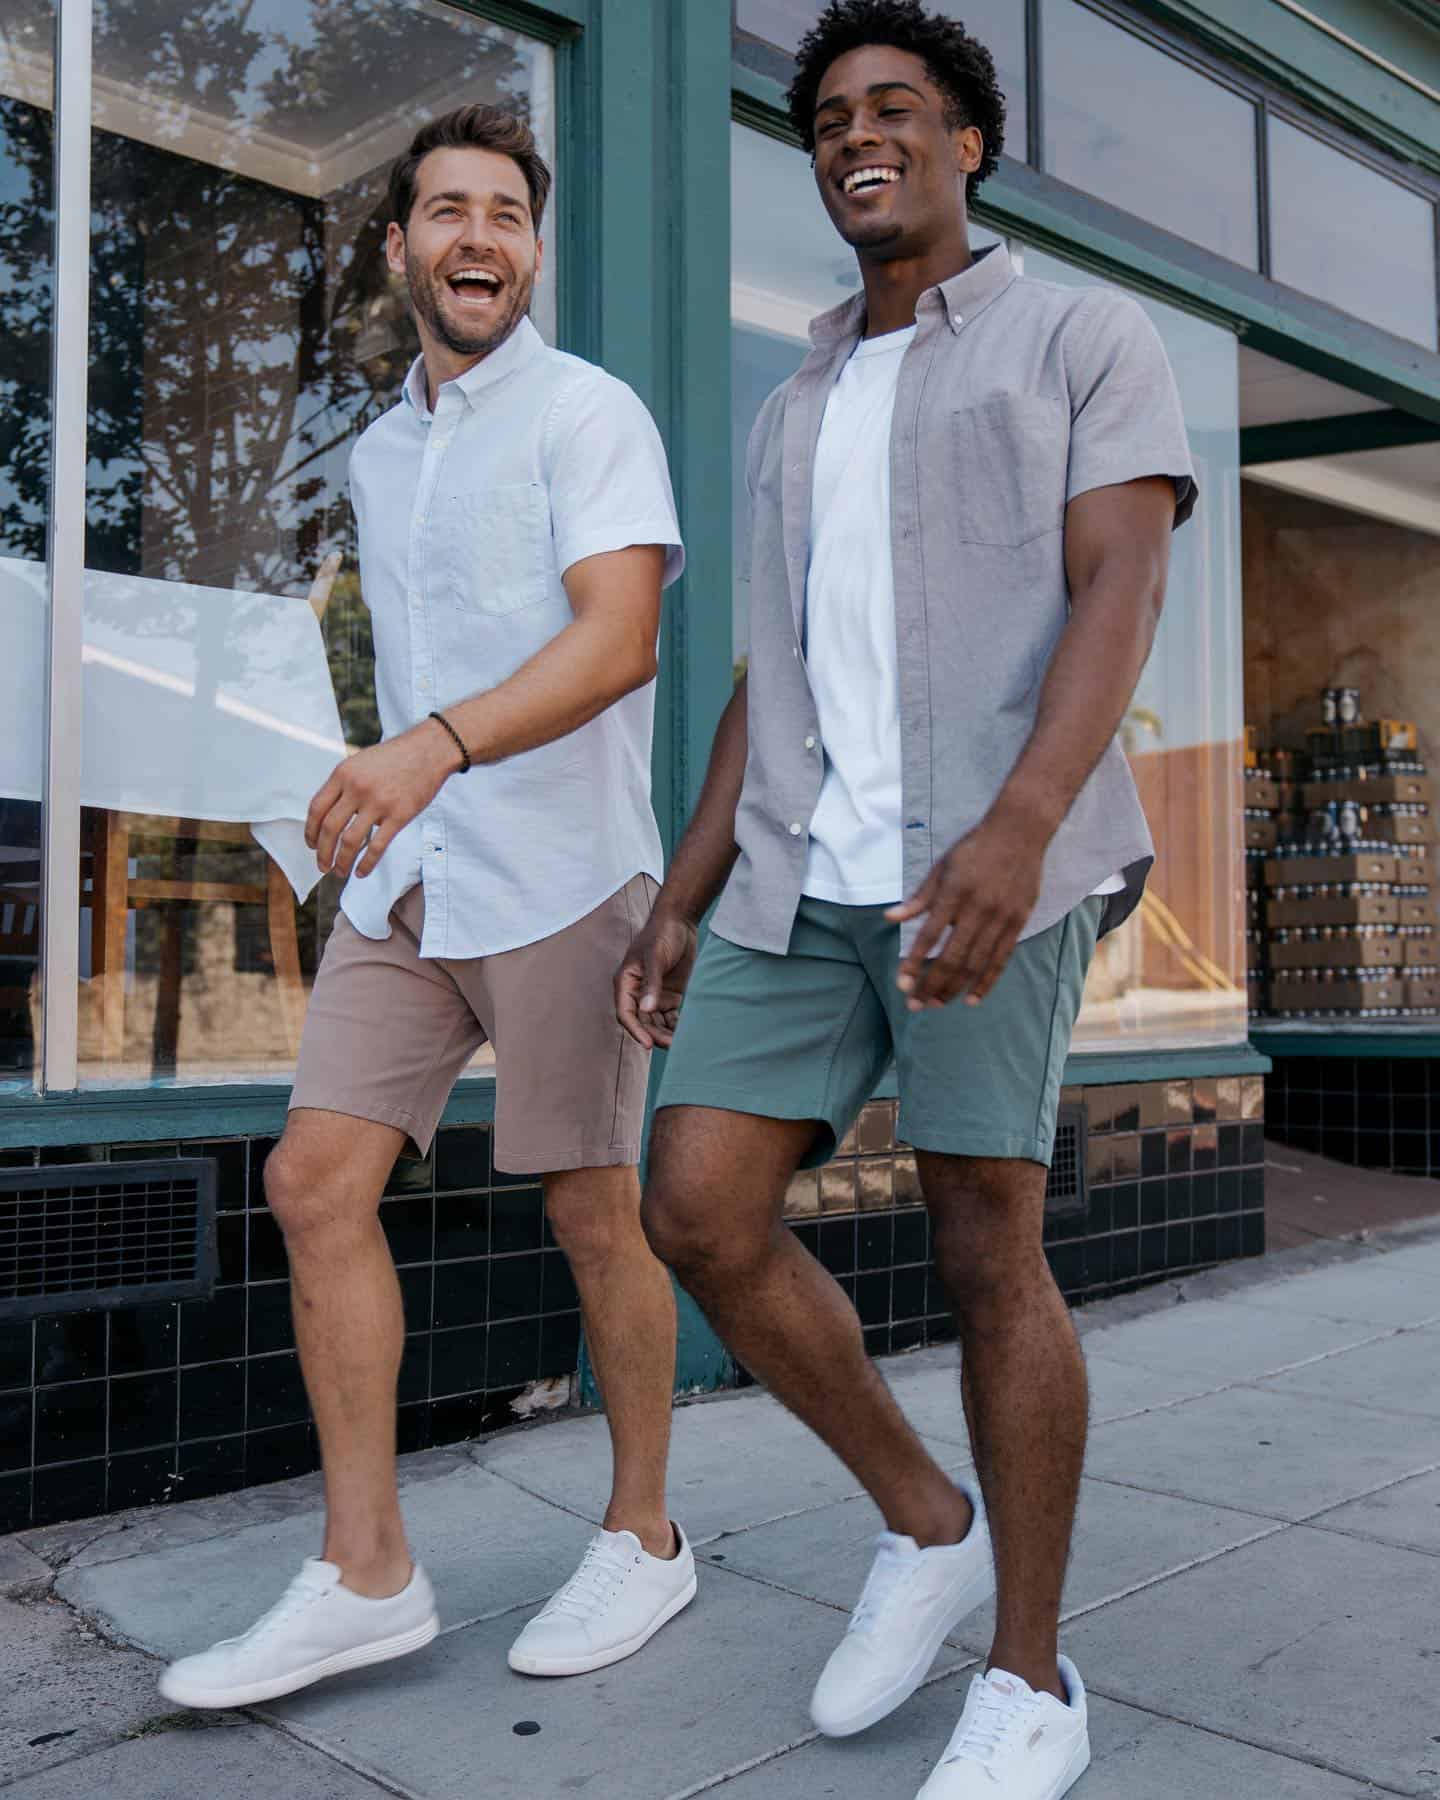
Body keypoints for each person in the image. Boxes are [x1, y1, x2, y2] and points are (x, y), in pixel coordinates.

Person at [617, 5, 1195, 1796]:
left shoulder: (1083, 333)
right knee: (697, 1210)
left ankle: (1032, 1675)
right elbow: (760, 677)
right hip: (805, 874)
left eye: (899, 109)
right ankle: (923, 1520)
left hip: (984, 874)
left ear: (967, 145)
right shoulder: (794, 406)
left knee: (984, 1250)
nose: (860, 136)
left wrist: (1024, 827)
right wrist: (684, 890)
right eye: (833, 120)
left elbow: (1123, 580)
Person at [161, 103, 694, 1710]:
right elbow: (407, 669)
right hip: (410, 883)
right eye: (447, 211)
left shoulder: (591, 415)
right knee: (314, 1180)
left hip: (559, 875)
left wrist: (431, 750)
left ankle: (647, 1539)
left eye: (507, 215)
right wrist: (359, 781)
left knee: (594, 1212)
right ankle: (369, 1570)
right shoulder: (382, 451)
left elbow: (622, 642)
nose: (478, 238)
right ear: (398, 248)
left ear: (534, 247)